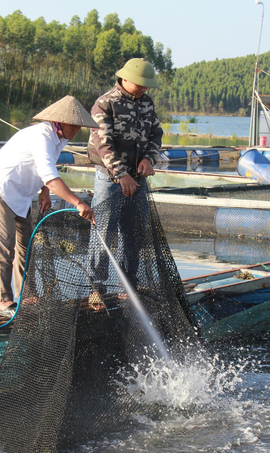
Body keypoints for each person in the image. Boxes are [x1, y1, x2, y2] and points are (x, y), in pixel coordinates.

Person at [0, 95, 98, 317]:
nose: (76, 131)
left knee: (26, 244)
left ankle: (28, 295)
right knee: (5, 245)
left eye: (78, 127)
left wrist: (43, 191)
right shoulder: (41, 136)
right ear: (59, 122)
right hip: (2, 186)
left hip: (22, 192)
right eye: (73, 126)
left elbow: (46, 168)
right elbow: (50, 175)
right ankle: (2, 301)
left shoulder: (59, 138)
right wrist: (78, 202)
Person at [86, 58, 163, 299]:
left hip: (138, 179)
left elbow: (156, 134)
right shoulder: (105, 103)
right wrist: (121, 175)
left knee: (135, 232)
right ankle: (97, 287)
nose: (143, 89)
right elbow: (102, 143)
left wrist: (149, 159)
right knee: (103, 232)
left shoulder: (147, 103)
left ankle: (131, 284)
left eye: (146, 85)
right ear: (125, 79)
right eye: (140, 84)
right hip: (110, 180)